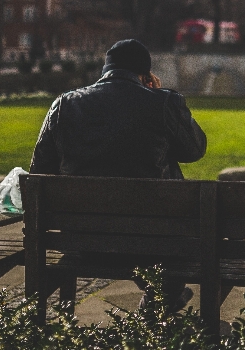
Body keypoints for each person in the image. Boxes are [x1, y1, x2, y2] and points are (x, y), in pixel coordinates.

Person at [29, 38, 207, 309]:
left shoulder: (64, 104)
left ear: (106, 69)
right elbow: (194, 150)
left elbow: (39, 172)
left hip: (81, 237)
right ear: (145, 74)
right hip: (153, 241)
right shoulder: (163, 103)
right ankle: (162, 298)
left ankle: (162, 298)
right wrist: (159, 99)